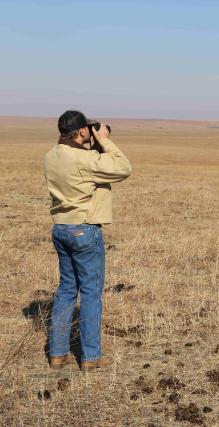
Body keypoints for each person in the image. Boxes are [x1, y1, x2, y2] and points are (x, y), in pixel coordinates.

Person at [44, 110, 131, 371]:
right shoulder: (85, 158)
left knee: (67, 290)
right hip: (85, 229)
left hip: (61, 228)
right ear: (82, 131)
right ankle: (91, 357)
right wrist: (104, 140)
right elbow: (124, 168)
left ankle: (57, 354)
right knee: (91, 293)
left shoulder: (50, 156)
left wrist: (92, 146)